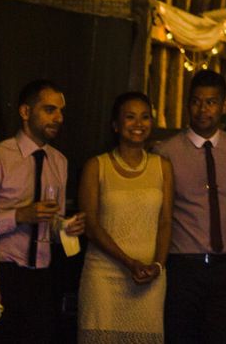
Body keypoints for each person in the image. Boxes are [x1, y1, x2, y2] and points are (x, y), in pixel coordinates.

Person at [157, 70, 226, 344]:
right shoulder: (166, 151)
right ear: (188, 104)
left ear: (223, 106)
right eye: (197, 102)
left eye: (211, 102)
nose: (203, 109)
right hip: (182, 265)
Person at [0, 80, 85, 343]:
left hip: (43, 277)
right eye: (49, 110)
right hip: (4, 272)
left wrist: (66, 228)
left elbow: (52, 225)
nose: (59, 118)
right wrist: (19, 216)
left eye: (60, 111)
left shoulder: (59, 161)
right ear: (25, 112)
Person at [78, 91, 172, 343]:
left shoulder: (162, 166)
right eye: (130, 117)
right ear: (116, 125)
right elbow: (91, 226)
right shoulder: (96, 166)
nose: (138, 124)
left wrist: (158, 266)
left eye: (144, 117)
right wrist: (129, 262)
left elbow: (165, 222)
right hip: (104, 276)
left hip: (149, 279)